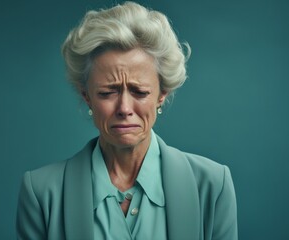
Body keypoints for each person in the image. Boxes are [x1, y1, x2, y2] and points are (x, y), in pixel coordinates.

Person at [16, 2, 238, 239]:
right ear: (87, 97)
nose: (124, 108)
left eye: (140, 91)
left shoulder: (213, 185)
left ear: (162, 94)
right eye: (107, 92)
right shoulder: (41, 192)